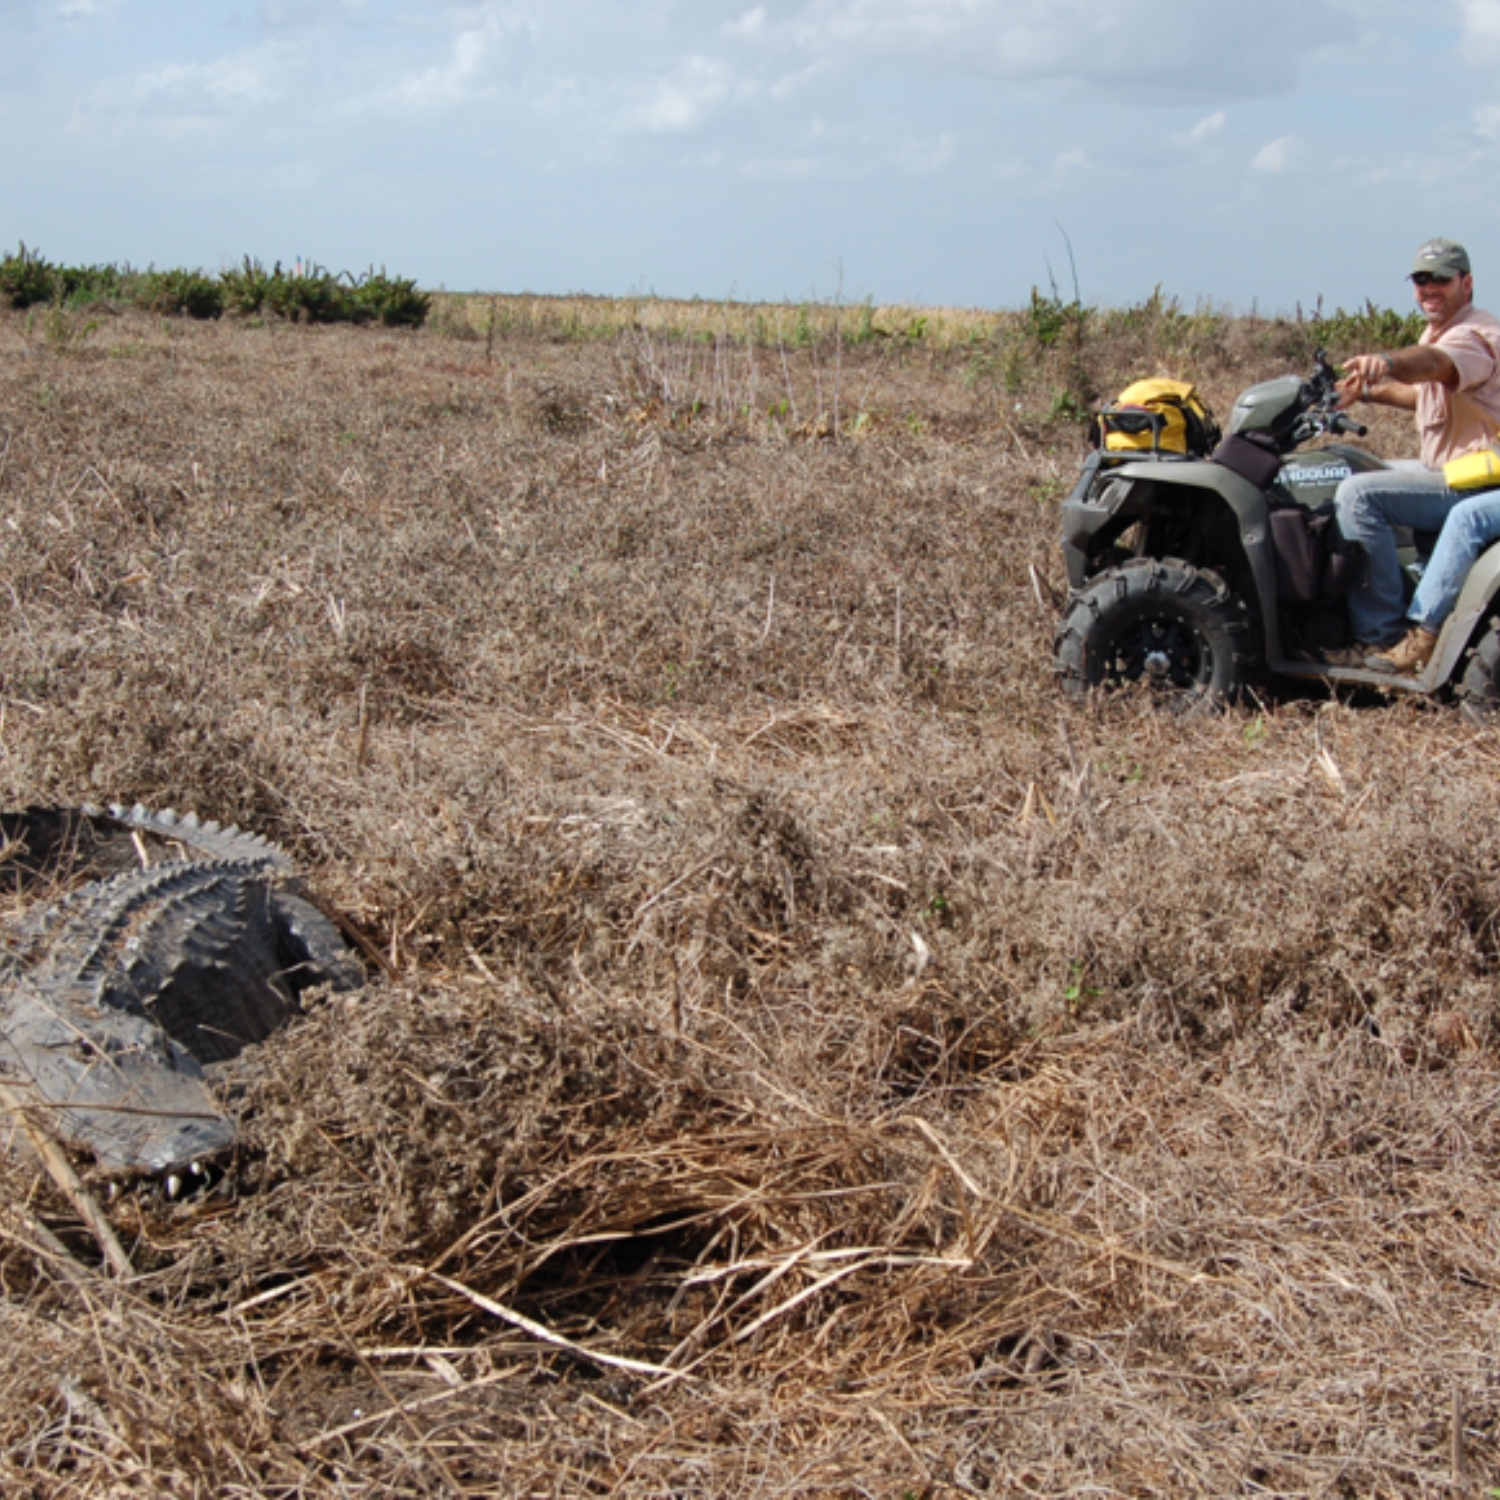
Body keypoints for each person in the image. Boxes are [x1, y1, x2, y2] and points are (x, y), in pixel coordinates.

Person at [1327, 238, 1500, 672]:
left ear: (1466, 282)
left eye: (1440, 279)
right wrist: (1364, 391)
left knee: (1359, 496)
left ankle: (1384, 636)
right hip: (1453, 472)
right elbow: (1424, 392)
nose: (1429, 288)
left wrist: (1386, 360)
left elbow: (1432, 364)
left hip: (1478, 479)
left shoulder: (1473, 337)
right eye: (1421, 279)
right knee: (1355, 467)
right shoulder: (1442, 330)